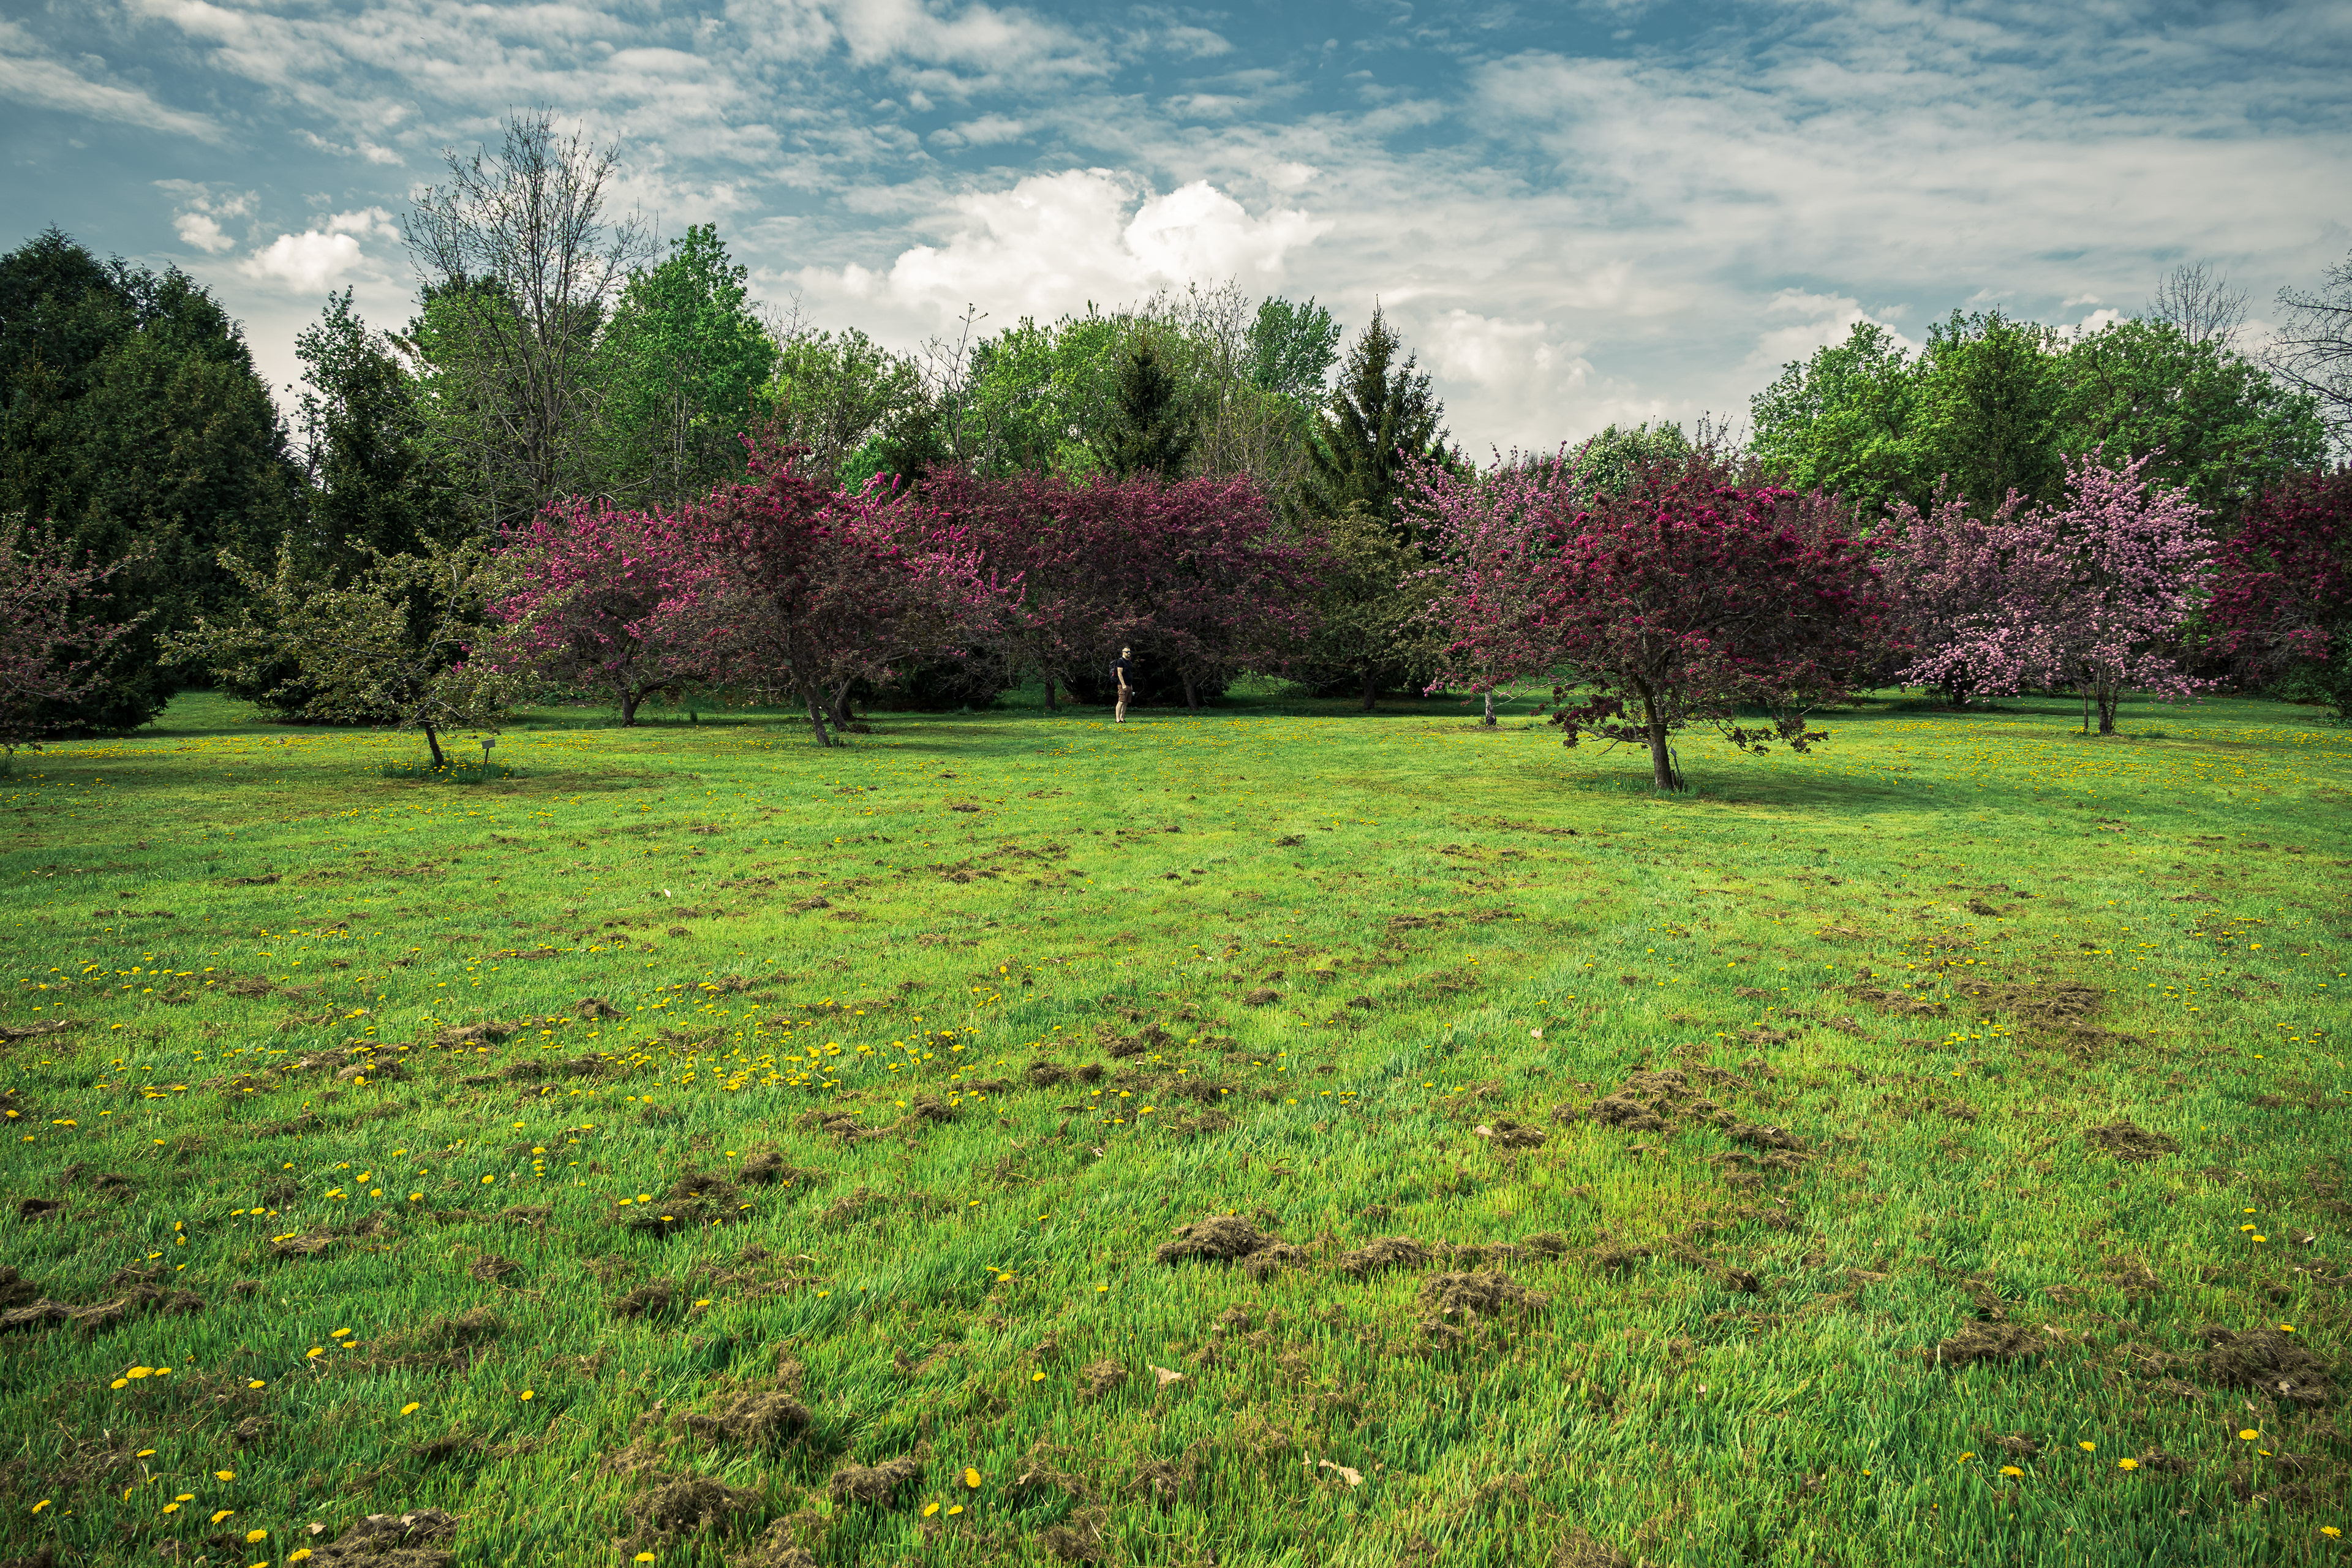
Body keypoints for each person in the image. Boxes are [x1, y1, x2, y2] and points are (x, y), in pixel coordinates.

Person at [1110, 646, 1135, 724]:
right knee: (1121, 701)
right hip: (1122, 685)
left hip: (1129, 684)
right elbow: (1119, 674)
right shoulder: (1120, 661)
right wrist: (1123, 684)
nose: (1129, 653)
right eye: (1127, 652)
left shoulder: (1129, 662)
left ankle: (1122, 718)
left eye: (1130, 652)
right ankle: (1118, 719)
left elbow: (1129, 674)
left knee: (1126, 702)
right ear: (1123, 653)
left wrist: (1130, 686)